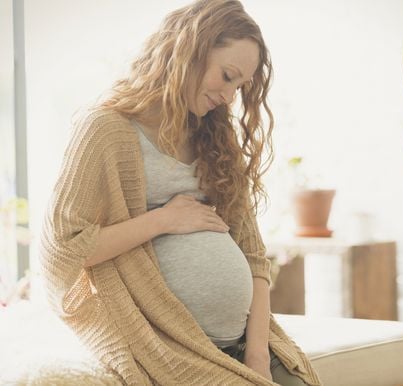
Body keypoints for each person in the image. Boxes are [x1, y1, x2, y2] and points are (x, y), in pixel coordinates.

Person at [38, 1, 321, 385]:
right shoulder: (105, 130)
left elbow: (254, 257)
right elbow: (64, 252)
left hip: (243, 344)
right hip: (166, 346)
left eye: (239, 86)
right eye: (226, 76)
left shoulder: (216, 139)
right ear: (190, 49)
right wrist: (163, 220)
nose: (229, 96)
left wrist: (257, 357)